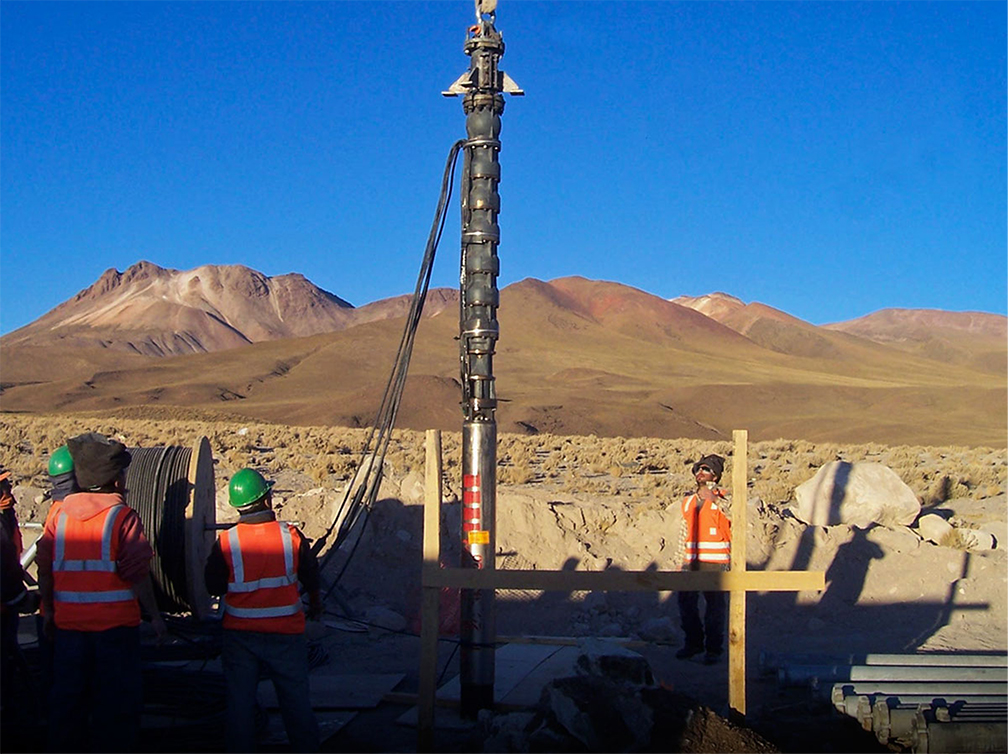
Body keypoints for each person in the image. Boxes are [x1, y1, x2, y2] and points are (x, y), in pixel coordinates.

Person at [36, 432, 166, 752]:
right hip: (115, 633)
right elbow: (138, 574)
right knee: (116, 709)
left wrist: (49, 613)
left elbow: (45, 569)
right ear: (116, 480)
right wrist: (155, 617)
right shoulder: (121, 517)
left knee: (67, 704)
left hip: (69, 630)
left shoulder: (59, 516)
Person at [205, 468, 321, 752]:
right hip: (286, 633)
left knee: (240, 704)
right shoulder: (290, 536)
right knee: (295, 701)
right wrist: (316, 604)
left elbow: (213, 585)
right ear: (267, 500)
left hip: (240, 635)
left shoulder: (227, 542)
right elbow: (311, 576)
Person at [675, 453, 732, 665]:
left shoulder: (724, 498)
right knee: (686, 604)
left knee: (715, 608)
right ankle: (693, 643)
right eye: (699, 469)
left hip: (715, 563)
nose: (701, 472)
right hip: (691, 562)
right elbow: (684, 531)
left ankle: (714, 649)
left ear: (715, 476)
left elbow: (736, 518)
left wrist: (716, 500)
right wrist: (681, 560)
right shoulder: (689, 501)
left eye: (706, 469)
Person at [1, 469, 40, 731]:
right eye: (1, 487)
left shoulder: (7, 516)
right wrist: (21, 599)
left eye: (6, 484)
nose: (7, 491)